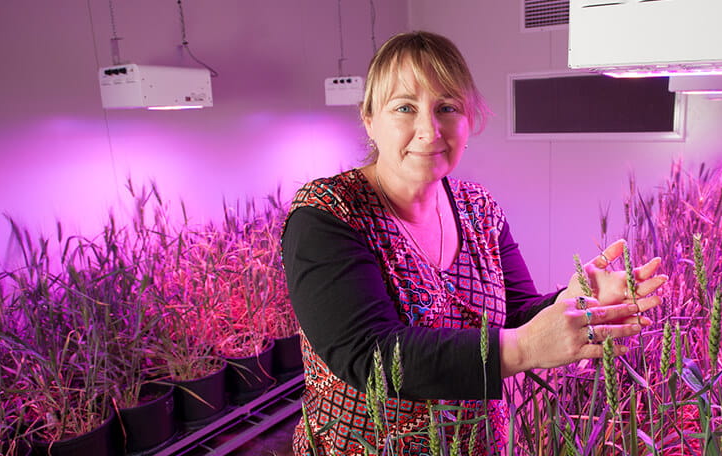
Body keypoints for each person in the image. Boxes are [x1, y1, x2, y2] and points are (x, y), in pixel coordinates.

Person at [282, 30, 666, 455]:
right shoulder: (329, 213)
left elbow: (516, 313)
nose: (429, 130)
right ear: (370, 120)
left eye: (446, 107)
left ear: (470, 121)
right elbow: (370, 355)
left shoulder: (478, 208)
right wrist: (523, 349)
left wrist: (574, 298)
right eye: (404, 108)